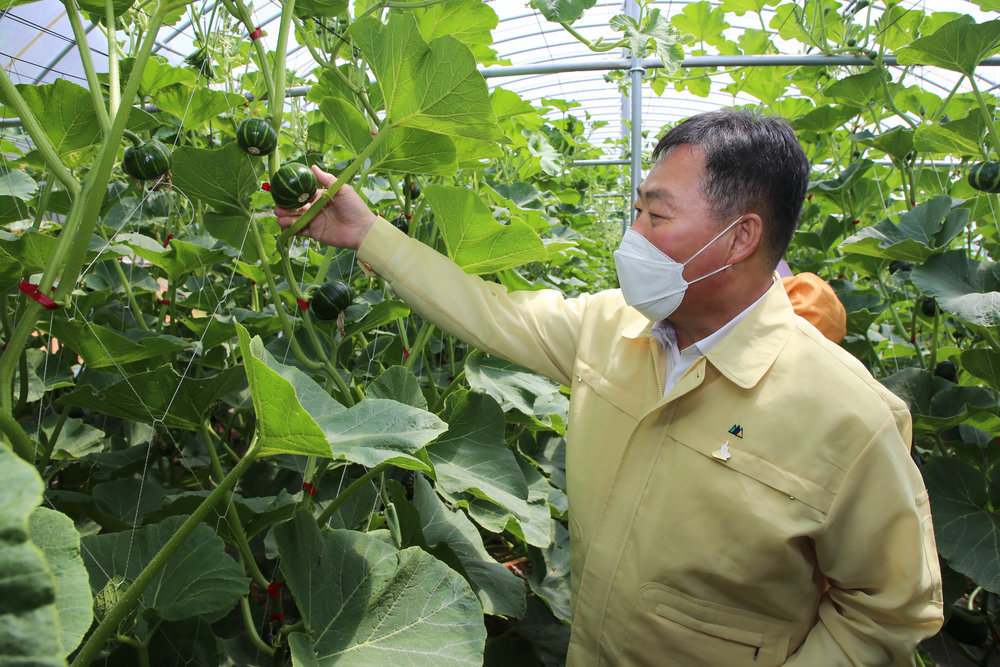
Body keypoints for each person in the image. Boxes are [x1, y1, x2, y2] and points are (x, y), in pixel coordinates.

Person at [276, 109, 943, 665]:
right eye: (637, 211)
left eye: (655, 216)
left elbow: (889, 609)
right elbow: (491, 311)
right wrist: (368, 234)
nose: (634, 236)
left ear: (740, 237)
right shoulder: (611, 328)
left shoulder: (848, 416)